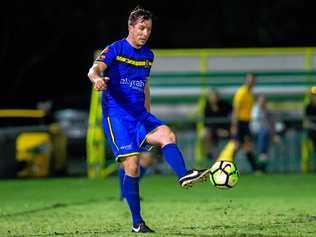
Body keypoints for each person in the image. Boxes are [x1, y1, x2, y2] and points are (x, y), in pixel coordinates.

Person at [87, 7, 209, 233]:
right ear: (130, 27)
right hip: (117, 118)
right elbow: (94, 69)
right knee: (132, 166)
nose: (145, 33)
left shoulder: (148, 56)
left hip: (140, 116)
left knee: (167, 135)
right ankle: (137, 223)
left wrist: (149, 114)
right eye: (141, 28)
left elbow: (144, 86)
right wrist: (97, 79)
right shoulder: (116, 49)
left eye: (149, 29)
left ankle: (184, 176)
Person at [215, 73, 260, 172]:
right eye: (249, 79)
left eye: (252, 79)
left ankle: (255, 169)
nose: (251, 81)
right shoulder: (241, 92)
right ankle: (224, 165)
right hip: (239, 122)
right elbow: (236, 109)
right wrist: (234, 125)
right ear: (246, 80)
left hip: (246, 122)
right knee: (237, 145)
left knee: (246, 145)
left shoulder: (250, 94)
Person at [201, 89, 232, 161]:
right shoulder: (207, 107)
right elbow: (207, 123)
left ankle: (227, 157)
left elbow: (233, 112)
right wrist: (216, 130)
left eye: (215, 96)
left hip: (225, 129)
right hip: (213, 130)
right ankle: (209, 154)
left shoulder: (225, 104)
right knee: (203, 134)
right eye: (212, 96)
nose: (214, 98)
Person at [250, 95, 278, 172]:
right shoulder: (255, 110)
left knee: (265, 133)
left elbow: (269, 124)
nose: (263, 103)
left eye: (264, 101)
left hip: (264, 134)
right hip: (253, 132)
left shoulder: (266, 111)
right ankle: (262, 153)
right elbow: (256, 123)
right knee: (263, 133)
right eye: (261, 101)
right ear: (258, 101)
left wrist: (274, 135)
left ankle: (262, 163)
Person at [302, 86, 316, 172]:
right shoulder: (308, 107)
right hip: (312, 131)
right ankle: (305, 168)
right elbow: (308, 121)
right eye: (313, 95)